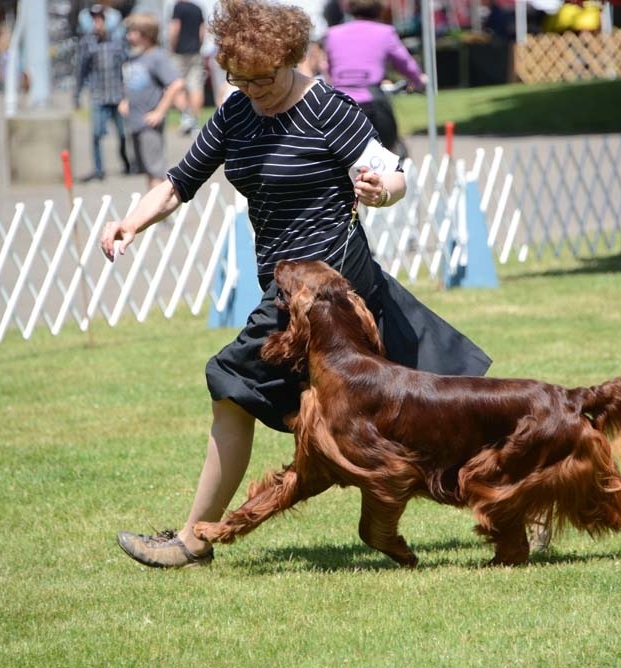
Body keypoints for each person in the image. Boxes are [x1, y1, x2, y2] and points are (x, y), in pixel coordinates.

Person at [103, 0, 491, 569]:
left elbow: (393, 170)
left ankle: (192, 541)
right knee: (437, 412)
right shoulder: (237, 112)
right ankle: (523, 506)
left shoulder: (329, 109)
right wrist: (130, 222)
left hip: (329, 288)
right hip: (290, 288)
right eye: (241, 78)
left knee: (228, 380)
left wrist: (383, 189)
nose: (254, 90)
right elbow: (179, 182)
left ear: (290, 57)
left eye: (264, 78)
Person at [323, 0, 427, 156]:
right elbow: (405, 63)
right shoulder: (385, 32)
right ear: (379, 9)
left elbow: (329, 68)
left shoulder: (332, 33)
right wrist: (419, 80)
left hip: (339, 102)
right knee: (386, 153)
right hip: (372, 102)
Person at [120, 13, 186, 188]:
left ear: (145, 34)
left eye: (133, 32)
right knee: (147, 172)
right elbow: (133, 84)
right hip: (135, 122)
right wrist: (126, 100)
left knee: (156, 171)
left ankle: (159, 212)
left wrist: (159, 112)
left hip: (149, 125)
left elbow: (176, 84)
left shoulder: (157, 57)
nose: (129, 36)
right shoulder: (135, 58)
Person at [74, 4, 132, 182]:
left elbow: (127, 67)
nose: (97, 23)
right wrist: (76, 95)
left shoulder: (117, 42)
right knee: (97, 135)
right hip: (99, 95)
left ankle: (128, 164)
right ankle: (99, 170)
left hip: (117, 96)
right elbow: (81, 71)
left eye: (100, 19)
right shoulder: (87, 43)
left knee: (123, 134)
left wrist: (127, 95)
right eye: (95, 20)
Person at [168, 0, 208, 135]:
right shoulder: (198, 8)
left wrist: (172, 47)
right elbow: (203, 32)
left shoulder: (178, 7)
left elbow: (175, 29)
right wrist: (199, 46)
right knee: (196, 87)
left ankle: (186, 116)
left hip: (179, 53)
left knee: (175, 85)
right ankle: (193, 121)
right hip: (195, 52)